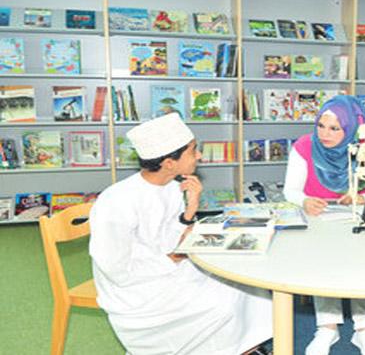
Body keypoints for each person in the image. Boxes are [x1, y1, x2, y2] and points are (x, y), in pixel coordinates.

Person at [89, 113, 273, 355]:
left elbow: (168, 233)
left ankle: (246, 347)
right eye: (193, 150)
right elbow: (116, 271)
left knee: (247, 283)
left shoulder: (172, 186)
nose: (199, 156)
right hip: (136, 291)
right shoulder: (116, 202)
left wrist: (190, 210)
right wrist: (174, 257)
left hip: (170, 269)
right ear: (169, 163)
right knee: (221, 303)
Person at [283, 95, 365, 355]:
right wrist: (304, 200)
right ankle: (327, 327)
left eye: (335, 128)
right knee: (323, 260)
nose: (324, 134)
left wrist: (363, 196)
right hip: (319, 219)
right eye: (321, 126)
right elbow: (290, 190)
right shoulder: (304, 146)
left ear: (351, 128)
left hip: (357, 217)